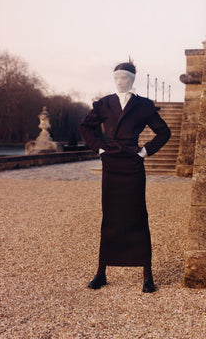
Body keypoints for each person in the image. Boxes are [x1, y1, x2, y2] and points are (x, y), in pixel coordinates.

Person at [79, 59, 171, 293]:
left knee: (138, 215)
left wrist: (145, 151)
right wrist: (100, 148)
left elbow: (164, 131)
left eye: (125, 78)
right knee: (109, 216)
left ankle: (147, 274)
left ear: (132, 80)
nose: (120, 81)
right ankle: (101, 272)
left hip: (132, 164)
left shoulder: (143, 105)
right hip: (111, 164)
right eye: (117, 77)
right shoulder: (104, 103)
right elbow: (85, 127)